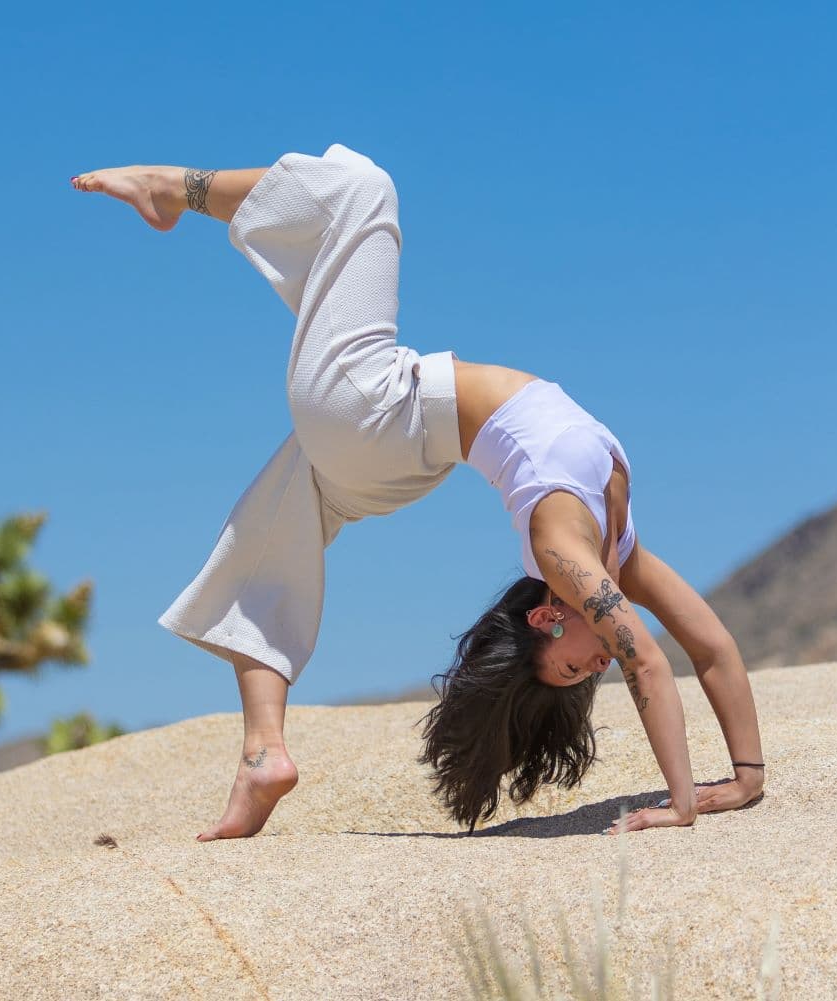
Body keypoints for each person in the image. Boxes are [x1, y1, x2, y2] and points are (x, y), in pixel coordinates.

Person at [70, 144, 765, 840]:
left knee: (361, 186)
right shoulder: (618, 553)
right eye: (584, 671)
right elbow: (708, 647)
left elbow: (647, 658)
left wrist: (681, 804)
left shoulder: (560, 556)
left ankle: (170, 187)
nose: (596, 665)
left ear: (547, 619)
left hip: (375, 413)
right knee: (277, 522)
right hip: (402, 440)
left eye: (574, 667)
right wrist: (744, 775)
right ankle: (263, 752)